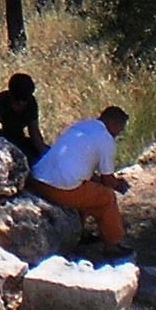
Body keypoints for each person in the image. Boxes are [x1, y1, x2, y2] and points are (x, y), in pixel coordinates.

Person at [29, 105, 131, 250]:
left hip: (37, 180)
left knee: (86, 189)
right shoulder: (106, 138)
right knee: (107, 198)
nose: (119, 133)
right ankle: (112, 246)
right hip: (59, 188)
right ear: (113, 123)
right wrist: (119, 185)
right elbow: (108, 181)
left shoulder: (81, 126)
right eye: (120, 128)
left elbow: (82, 171)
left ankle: (79, 234)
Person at [0, 72, 44, 160]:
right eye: (17, 102)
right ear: (10, 95)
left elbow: (34, 133)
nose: (21, 104)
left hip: (19, 139)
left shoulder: (30, 104)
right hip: (0, 140)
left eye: (24, 101)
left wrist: (45, 154)